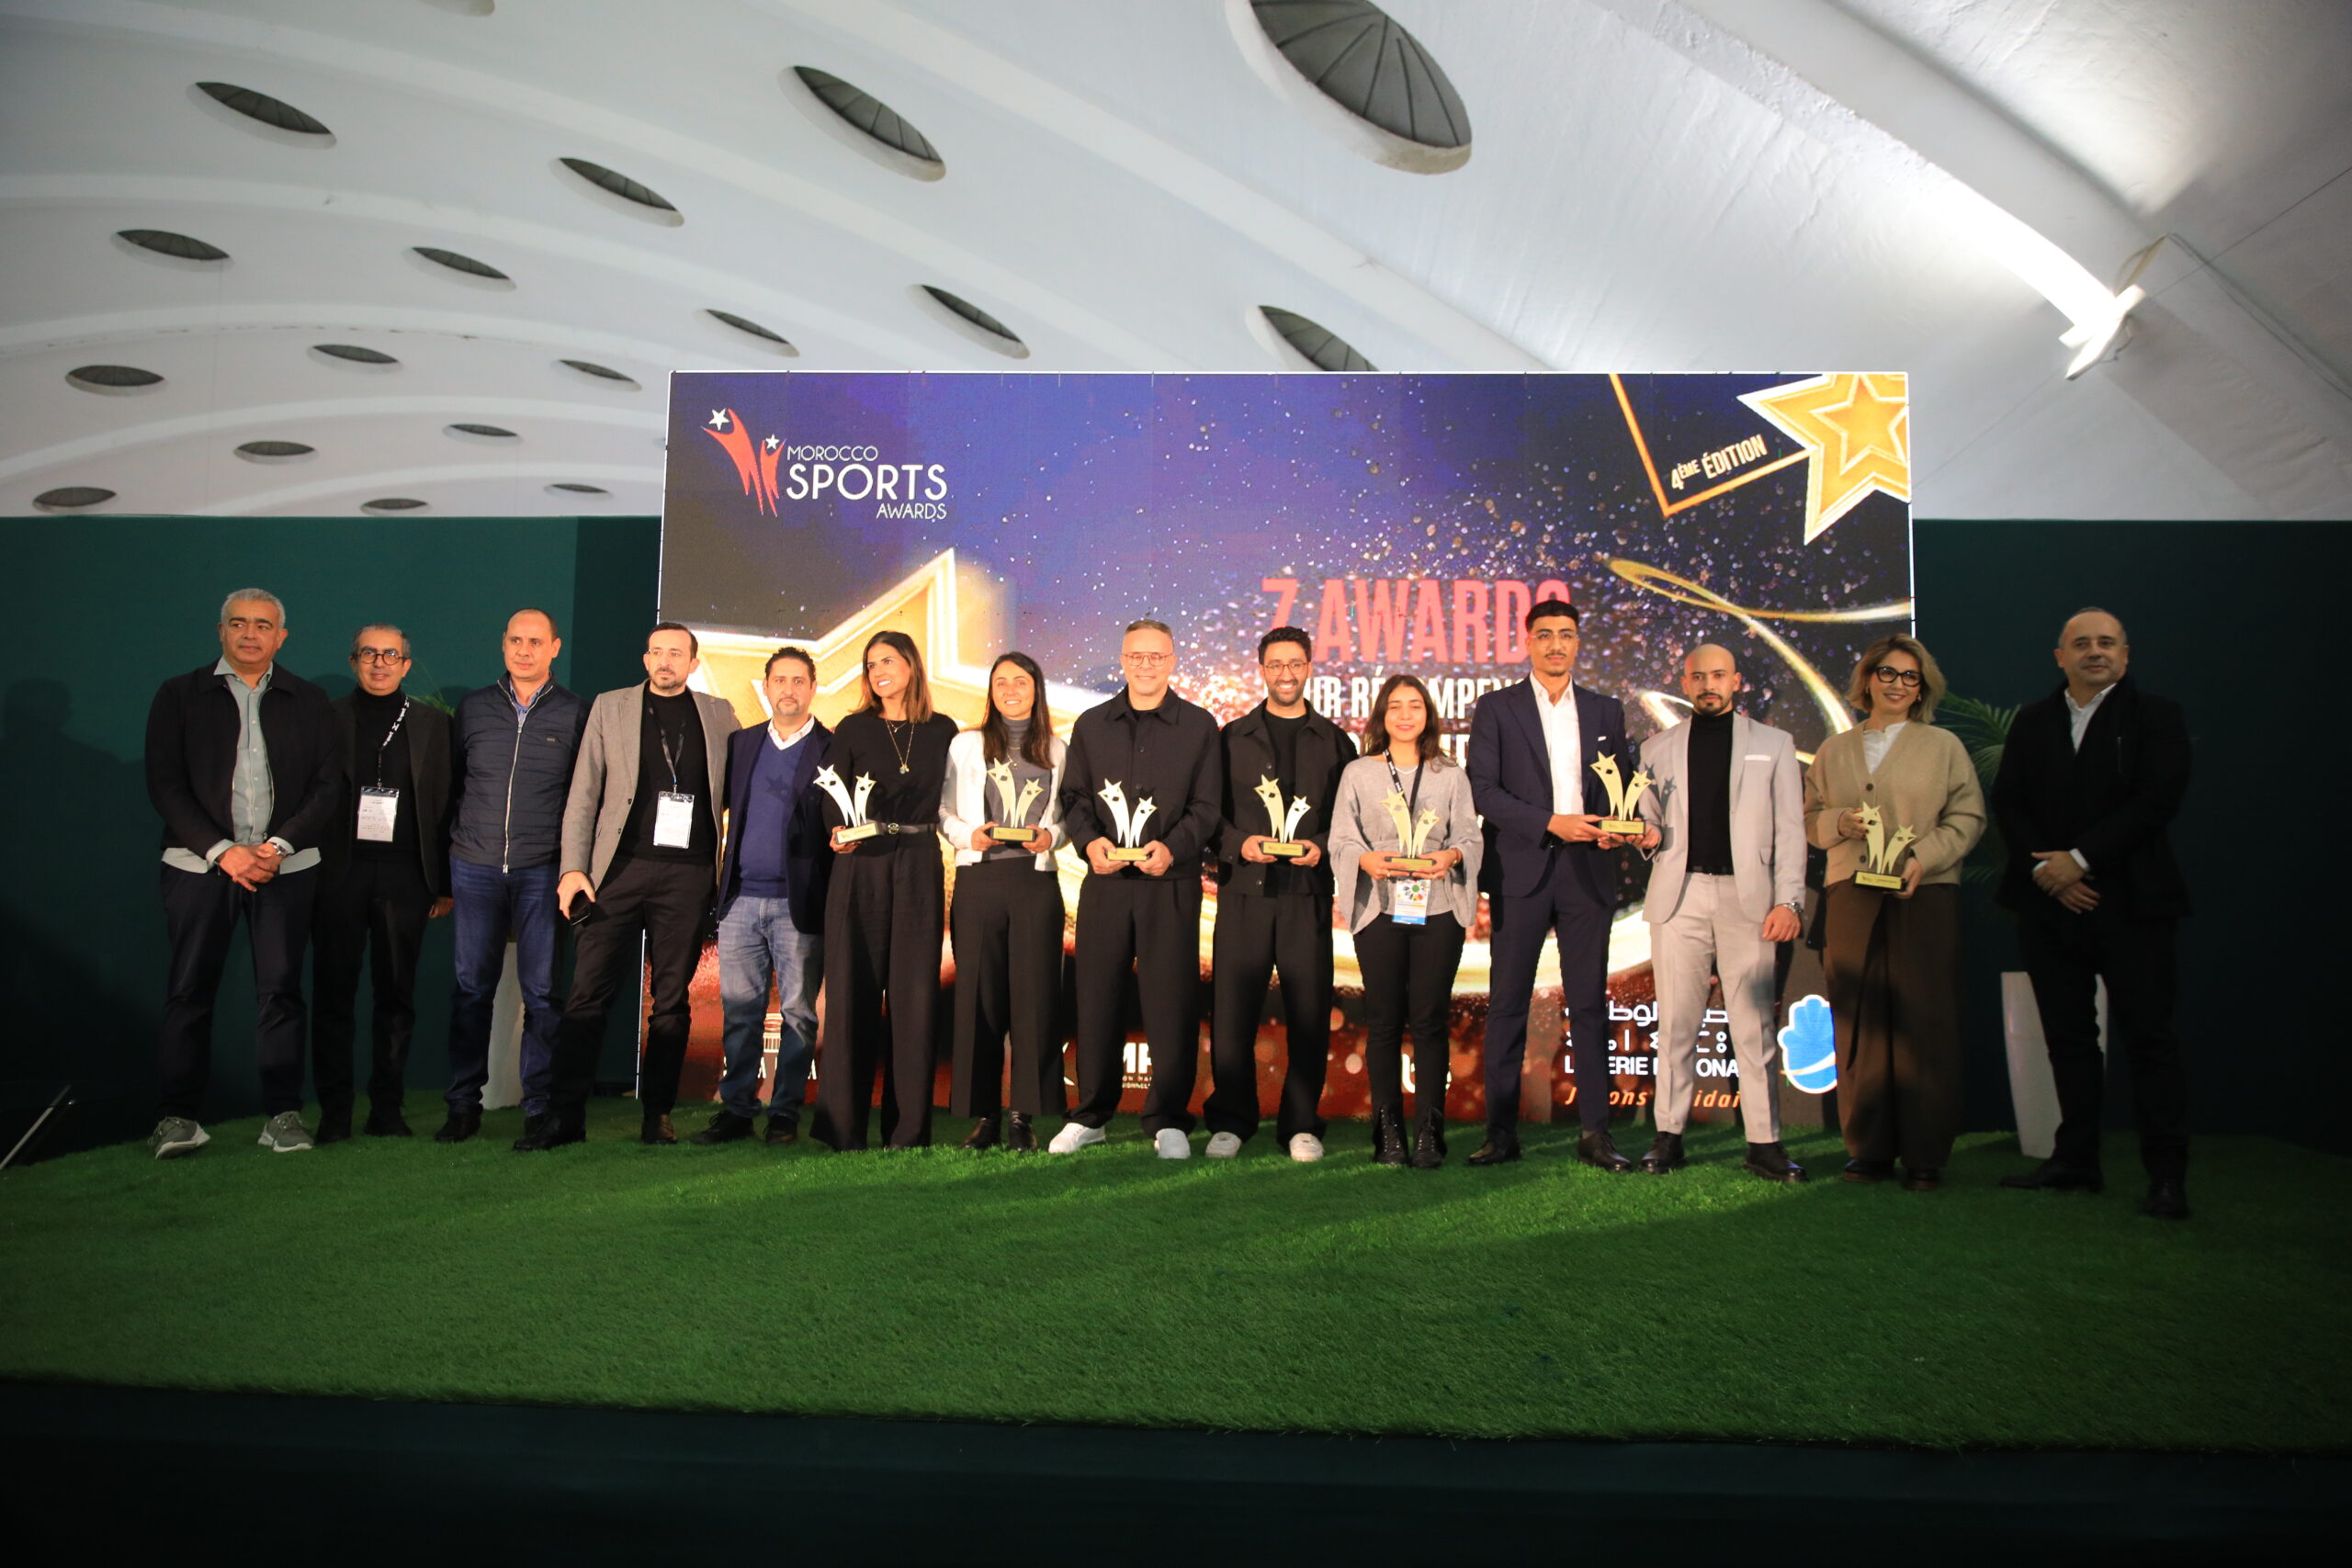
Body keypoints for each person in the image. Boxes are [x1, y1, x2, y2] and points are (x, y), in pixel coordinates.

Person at [1993, 609, 2193, 1219]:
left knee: (2150, 1040)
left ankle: (2166, 1178)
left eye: (2106, 643)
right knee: (2069, 1039)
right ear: (2061, 657)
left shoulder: (2157, 715)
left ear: (2125, 655)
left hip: (2134, 906)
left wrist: (2079, 861)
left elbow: (2158, 798)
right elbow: (2010, 803)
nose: (2095, 651)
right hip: (2048, 906)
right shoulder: (2033, 720)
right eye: (2081, 643)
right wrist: (2048, 874)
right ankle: (2075, 1161)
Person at [524, 623, 737, 1148]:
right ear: (645, 659)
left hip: (688, 876)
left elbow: (740, 791)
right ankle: (565, 1117)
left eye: (676, 654)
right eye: (657, 652)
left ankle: (657, 1116)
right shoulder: (611, 706)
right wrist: (573, 868)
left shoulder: (719, 714)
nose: (665, 661)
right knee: (587, 996)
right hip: (615, 872)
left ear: (693, 663)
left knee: (672, 1002)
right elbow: (583, 793)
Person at [144, 588, 339, 1157]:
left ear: (281, 637)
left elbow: (327, 785)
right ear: (221, 631)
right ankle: (177, 1119)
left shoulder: (309, 699)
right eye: (238, 623)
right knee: (188, 992)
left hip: (287, 867)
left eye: (262, 625)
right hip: (199, 866)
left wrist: (276, 846)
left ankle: (282, 1115)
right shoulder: (178, 695)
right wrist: (223, 850)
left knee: (281, 993)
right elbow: (165, 784)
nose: (250, 634)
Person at [1803, 635, 1984, 1191]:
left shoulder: (1944, 746)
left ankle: (1925, 1154)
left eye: (1910, 676)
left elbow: (1968, 817)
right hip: (1850, 894)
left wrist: (1923, 860)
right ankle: (1869, 1151)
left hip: (1923, 894)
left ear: (1922, 688)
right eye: (1888, 673)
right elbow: (1808, 818)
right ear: (1868, 679)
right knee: (1858, 1019)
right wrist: (1838, 822)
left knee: (1925, 1020)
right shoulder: (1834, 750)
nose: (1898, 684)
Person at [1464, 597, 1640, 1170]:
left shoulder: (1606, 711)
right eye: (1545, 635)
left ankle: (1596, 1132)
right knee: (1508, 1005)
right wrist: (1550, 823)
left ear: (1578, 642)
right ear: (1528, 642)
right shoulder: (1497, 708)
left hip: (1588, 871)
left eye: (1566, 634)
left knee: (1589, 1004)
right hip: (1522, 869)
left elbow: (1621, 789)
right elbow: (1483, 791)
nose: (1556, 644)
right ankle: (1500, 1133)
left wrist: (1615, 829)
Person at [1630, 645, 1808, 1181]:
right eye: (1698, 676)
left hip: (1749, 900)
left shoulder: (1774, 744)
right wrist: (1646, 836)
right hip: (1679, 897)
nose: (1709, 684)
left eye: (1719, 676)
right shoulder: (1656, 748)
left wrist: (1789, 900)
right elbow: (1649, 821)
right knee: (1676, 1024)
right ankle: (1668, 1136)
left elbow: (1791, 830)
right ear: (1684, 683)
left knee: (1753, 1027)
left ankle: (1764, 1142)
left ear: (1736, 682)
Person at [1051, 619, 1222, 1157]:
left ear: (1172, 661)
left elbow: (1208, 807)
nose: (1146, 665)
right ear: (1123, 660)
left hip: (1169, 883)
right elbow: (1074, 798)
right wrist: (1089, 843)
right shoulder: (1092, 725)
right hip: (1106, 883)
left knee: (1171, 1000)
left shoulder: (1199, 726)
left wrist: (1172, 847)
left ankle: (1169, 1118)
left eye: (1156, 656)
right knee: (1096, 996)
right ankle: (1091, 1115)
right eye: (1136, 656)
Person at [1204, 627, 1356, 1162]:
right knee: (1232, 1014)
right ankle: (1231, 1121)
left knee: (1310, 1014)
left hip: (1307, 896)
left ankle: (1301, 1124)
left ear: (1309, 667)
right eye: (1276, 664)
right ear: (1262, 669)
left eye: (1295, 664)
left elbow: (1350, 821)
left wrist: (1321, 846)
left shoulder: (1336, 742)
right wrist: (1239, 845)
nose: (1285, 674)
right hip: (1243, 894)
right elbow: (1207, 815)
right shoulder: (1230, 738)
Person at [438, 608, 585, 1144]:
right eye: (516, 640)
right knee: (470, 991)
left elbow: (584, 797)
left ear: (555, 648)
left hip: (542, 870)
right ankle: (463, 1106)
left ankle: (539, 1108)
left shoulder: (576, 713)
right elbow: (452, 785)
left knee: (542, 995)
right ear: (503, 644)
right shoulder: (474, 708)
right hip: (474, 866)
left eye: (535, 642)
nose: (525, 650)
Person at [808, 631, 959, 1151]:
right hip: (860, 865)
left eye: (888, 661)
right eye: (871, 664)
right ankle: (842, 1129)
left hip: (918, 862)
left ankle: (907, 1132)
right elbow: (829, 792)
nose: (878, 672)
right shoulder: (854, 727)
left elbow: (955, 799)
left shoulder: (942, 730)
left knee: (914, 997)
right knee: (851, 992)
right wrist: (836, 829)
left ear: (911, 666)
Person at [1329, 674, 1481, 1167]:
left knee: (1430, 1021)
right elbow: (1341, 838)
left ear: (1428, 714)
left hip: (1438, 908)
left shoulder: (1449, 774)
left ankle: (1430, 1135)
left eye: (1414, 705)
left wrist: (1452, 855)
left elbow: (1470, 836)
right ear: (1381, 715)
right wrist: (1364, 859)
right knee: (1383, 1022)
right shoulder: (1358, 773)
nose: (1405, 715)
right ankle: (1388, 1134)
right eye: (1395, 706)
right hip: (1379, 907)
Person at [310, 623, 453, 1143]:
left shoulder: (433, 724)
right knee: (334, 997)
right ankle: (335, 1112)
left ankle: (387, 1110)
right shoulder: (325, 718)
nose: (379, 663)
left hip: (406, 876)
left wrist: (443, 882)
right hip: (338, 874)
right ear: (353, 661)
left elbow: (447, 801)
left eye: (390, 655)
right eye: (368, 653)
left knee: (396, 996)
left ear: (406, 665)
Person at [692, 646, 832, 1147]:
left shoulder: (832, 748)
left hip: (800, 904)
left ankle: (784, 1113)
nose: (788, 690)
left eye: (798, 681)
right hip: (740, 901)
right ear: (767, 686)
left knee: (799, 1014)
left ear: (812, 687)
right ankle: (736, 1110)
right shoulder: (743, 743)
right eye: (780, 680)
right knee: (740, 1014)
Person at [940, 651, 1069, 1152]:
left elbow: (1069, 817)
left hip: (1035, 885)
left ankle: (1022, 1118)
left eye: (1020, 681)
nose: (1010, 690)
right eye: (1000, 682)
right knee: (980, 999)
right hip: (979, 882)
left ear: (1036, 690)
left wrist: (1052, 837)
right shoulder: (965, 744)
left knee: (1034, 1001)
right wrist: (967, 835)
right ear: (990, 691)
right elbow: (942, 809)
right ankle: (985, 1116)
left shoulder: (1057, 749)